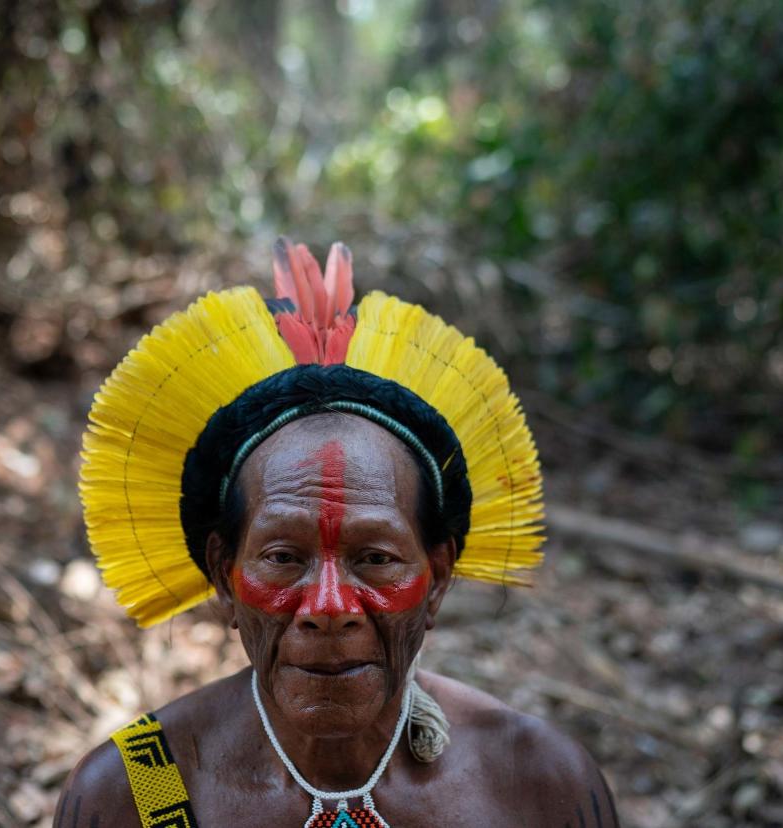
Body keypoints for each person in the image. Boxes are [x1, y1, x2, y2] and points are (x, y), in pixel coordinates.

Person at [57, 238, 620, 827]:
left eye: (375, 558)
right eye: (282, 557)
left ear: (439, 578)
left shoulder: (536, 786)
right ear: (224, 575)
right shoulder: (136, 794)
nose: (329, 608)